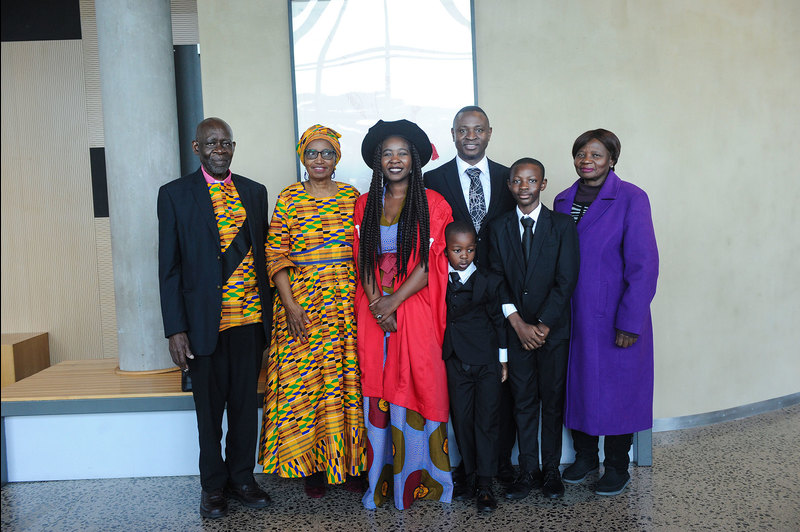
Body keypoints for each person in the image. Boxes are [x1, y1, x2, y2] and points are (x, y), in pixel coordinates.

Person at [157, 117, 272, 519]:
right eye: (211, 143)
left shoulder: (255, 193)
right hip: (203, 325)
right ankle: (213, 488)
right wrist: (175, 328)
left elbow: (263, 257)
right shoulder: (174, 195)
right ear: (196, 148)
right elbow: (168, 268)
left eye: (225, 143)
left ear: (233, 147)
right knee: (210, 413)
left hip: (250, 322)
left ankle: (242, 480)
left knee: (244, 407)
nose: (219, 150)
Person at [257, 124, 365, 498]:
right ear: (302, 157)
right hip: (301, 303)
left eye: (327, 153)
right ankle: (312, 467)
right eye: (313, 153)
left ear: (337, 158)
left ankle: (350, 465)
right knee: (306, 387)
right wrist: (290, 306)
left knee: (346, 383)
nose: (320, 159)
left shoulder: (352, 196)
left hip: (345, 304)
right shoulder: (288, 198)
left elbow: (363, 251)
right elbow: (275, 255)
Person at [354, 119, 454, 510]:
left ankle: (422, 480)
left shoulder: (434, 203)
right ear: (378, 162)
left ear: (415, 159)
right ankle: (380, 484)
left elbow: (430, 266)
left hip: (415, 307)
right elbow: (360, 259)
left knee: (419, 382)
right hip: (372, 308)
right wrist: (379, 305)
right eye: (386, 154)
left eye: (402, 153)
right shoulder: (365, 203)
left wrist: (393, 304)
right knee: (377, 386)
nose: (394, 159)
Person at [553, 129, 659, 496]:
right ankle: (585, 457)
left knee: (618, 391)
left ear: (612, 159)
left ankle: (616, 465)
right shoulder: (562, 200)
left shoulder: (631, 198)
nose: (588, 160)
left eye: (596, 154)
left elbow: (644, 265)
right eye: (581, 153)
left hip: (615, 315)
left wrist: (630, 321)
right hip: (572, 314)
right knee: (578, 386)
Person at [423, 105, 517, 487]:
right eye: (463, 130)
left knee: (503, 392)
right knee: (461, 398)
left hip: (501, 294)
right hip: (455, 303)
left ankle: (500, 467)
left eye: (478, 130)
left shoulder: (510, 178)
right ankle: (469, 469)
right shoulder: (432, 179)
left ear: (489, 133)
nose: (471, 136)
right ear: (453, 134)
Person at [488, 158, 580, 501]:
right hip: (516, 333)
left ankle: (551, 469)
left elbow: (566, 279)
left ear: (542, 185)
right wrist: (518, 323)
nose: (523, 186)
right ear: (509, 185)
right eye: (516, 181)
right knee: (523, 401)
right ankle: (528, 470)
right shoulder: (498, 228)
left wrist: (542, 325)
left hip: (552, 332)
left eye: (531, 181)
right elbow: (496, 278)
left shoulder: (562, 226)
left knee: (552, 402)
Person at [441, 220, 508, 513]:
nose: (464, 255)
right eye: (457, 250)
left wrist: (503, 360)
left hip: (487, 362)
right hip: (456, 361)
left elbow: (499, 321)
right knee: (462, 422)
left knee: (487, 423)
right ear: (446, 250)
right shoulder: (438, 280)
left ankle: (485, 484)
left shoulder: (489, 280)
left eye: (469, 249)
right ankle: (468, 475)